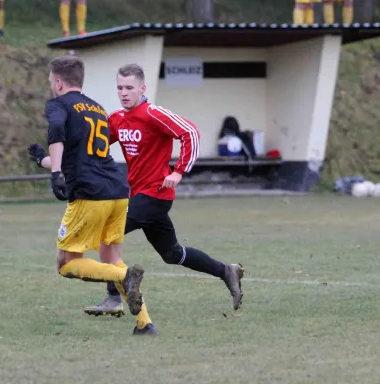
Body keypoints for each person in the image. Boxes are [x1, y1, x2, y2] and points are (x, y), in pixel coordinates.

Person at [34, 63, 244, 317]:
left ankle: (114, 297)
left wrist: (178, 172)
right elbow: (90, 149)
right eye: (120, 88)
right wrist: (49, 161)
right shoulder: (117, 119)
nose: (123, 93)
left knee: (108, 235)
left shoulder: (153, 114)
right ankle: (226, 271)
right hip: (137, 195)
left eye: (129, 88)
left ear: (142, 88)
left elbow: (190, 133)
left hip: (156, 194)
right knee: (172, 253)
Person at [27, 55, 157, 335]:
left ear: (58, 82)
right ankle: (144, 323)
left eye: (51, 81)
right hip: (118, 191)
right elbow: (75, 154)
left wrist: (55, 175)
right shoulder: (96, 108)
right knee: (111, 258)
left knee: (66, 264)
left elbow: (57, 131)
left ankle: (124, 276)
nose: (51, 85)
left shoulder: (58, 104)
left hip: (90, 195)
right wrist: (44, 161)